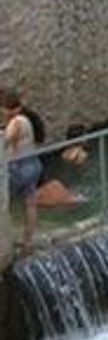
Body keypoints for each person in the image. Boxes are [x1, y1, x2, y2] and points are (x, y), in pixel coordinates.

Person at [4, 91, 42, 249]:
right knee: (30, 204)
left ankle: (5, 243)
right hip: (33, 165)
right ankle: (28, 240)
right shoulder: (27, 119)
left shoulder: (15, 122)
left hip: (18, 168)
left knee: (4, 205)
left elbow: (6, 143)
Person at [35, 124, 89, 209]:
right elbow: (80, 168)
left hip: (65, 177)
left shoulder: (64, 152)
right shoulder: (81, 154)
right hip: (75, 177)